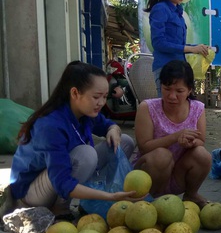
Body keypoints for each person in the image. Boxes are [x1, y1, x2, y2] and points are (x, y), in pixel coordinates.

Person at [9, 61, 140, 218]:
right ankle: (60, 209)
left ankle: (97, 198)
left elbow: (108, 125)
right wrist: (110, 197)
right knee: (86, 154)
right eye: (96, 97)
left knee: (124, 141)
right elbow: (62, 181)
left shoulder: (85, 112)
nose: (101, 103)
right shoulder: (51, 125)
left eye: (105, 97)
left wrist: (113, 129)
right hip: (31, 193)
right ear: (75, 93)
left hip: (58, 178)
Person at [133, 60, 212, 208]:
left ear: (189, 90)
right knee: (162, 155)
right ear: (160, 86)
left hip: (177, 175)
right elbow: (144, 147)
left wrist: (190, 143)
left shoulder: (198, 108)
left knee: (202, 155)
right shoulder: (147, 107)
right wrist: (176, 137)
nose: (172, 96)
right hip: (149, 175)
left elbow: (200, 140)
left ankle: (191, 195)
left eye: (179, 91)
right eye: (167, 89)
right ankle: (149, 202)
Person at [144, 0, 210, 97]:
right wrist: (191, 48)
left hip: (181, 69)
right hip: (165, 68)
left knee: (184, 108)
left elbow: (177, 43)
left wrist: (197, 48)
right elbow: (158, 43)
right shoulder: (160, 9)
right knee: (168, 109)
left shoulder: (177, 11)